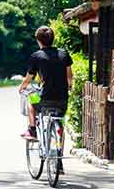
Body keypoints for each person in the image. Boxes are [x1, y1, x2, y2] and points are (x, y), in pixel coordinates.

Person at [18, 26, 73, 171]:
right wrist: (69, 88)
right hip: (62, 99)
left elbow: (29, 78)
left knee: (31, 101)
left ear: (38, 41)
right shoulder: (64, 54)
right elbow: (69, 77)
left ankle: (31, 129)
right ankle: (59, 159)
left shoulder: (36, 56)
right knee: (59, 124)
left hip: (44, 99)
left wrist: (22, 87)